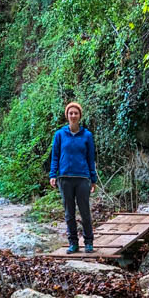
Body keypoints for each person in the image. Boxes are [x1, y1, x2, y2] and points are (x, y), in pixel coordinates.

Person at [49, 100, 97, 253]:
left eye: (76, 113)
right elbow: (55, 156)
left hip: (83, 177)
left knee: (84, 211)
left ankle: (88, 242)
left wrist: (93, 179)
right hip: (64, 178)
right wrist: (53, 174)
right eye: (71, 113)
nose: (73, 115)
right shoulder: (60, 135)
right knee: (69, 212)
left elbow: (91, 158)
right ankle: (73, 243)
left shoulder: (87, 135)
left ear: (80, 116)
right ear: (67, 116)